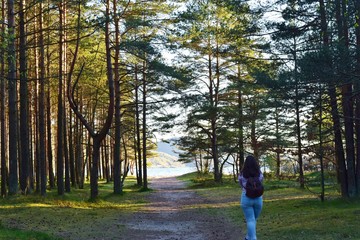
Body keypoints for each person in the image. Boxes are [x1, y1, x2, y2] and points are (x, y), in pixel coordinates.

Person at [238, 155, 263, 240]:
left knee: (251, 220)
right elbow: (261, 181)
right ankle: (250, 237)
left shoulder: (242, 174)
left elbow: (241, 184)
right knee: (253, 220)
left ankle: (250, 238)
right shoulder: (259, 173)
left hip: (246, 198)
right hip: (258, 199)